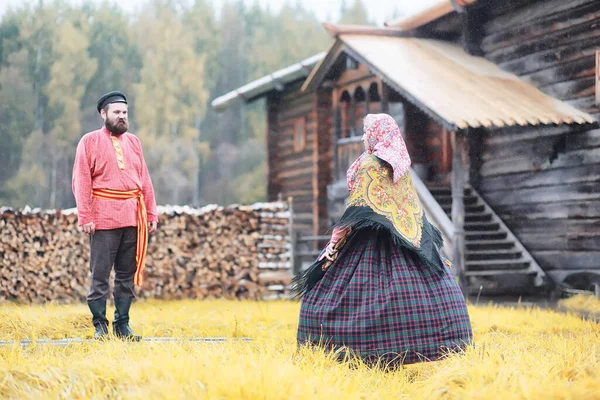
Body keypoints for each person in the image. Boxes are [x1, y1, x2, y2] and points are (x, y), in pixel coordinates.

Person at [291, 113, 473, 367]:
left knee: (339, 297)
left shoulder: (370, 164)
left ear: (378, 133)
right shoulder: (400, 165)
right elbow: (410, 207)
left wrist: (337, 237)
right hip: (407, 236)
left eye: (368, 131)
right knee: (423, 295)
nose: (365, 136)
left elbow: (360, 204)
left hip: (369, 240)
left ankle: (361, 350)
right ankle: (431, 345)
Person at [72, 91, 158, 341]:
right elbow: (81, 180)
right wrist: (85, 215)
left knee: (125, 275)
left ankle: (123, 326)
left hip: (133, 217)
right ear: (103, 114)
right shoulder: (89, 141)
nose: (122, 117)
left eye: (125, 113)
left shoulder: (134, 142)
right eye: (117, 112)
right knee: (100, 275)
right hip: (103, 218)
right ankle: (100, 326)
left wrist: (151, 212)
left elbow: (145, 180)